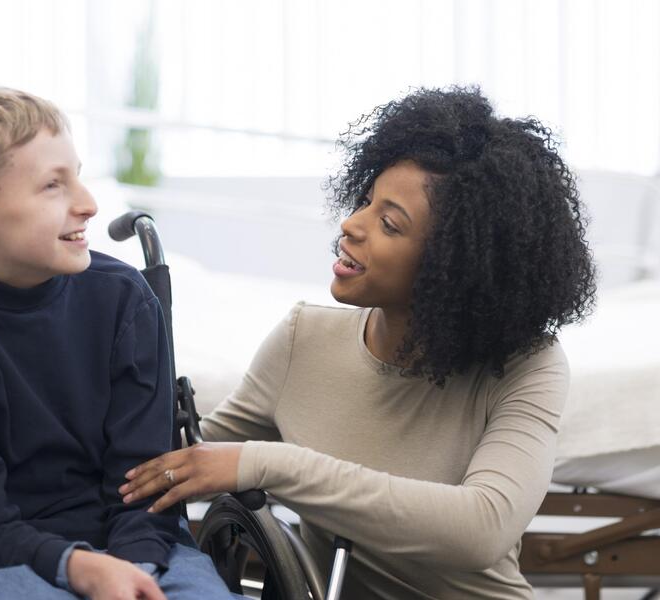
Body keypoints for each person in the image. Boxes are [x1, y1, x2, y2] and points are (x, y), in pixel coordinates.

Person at [119, 86, 597, 599]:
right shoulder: (302, 339)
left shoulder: (529, 366)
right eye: (366, 201)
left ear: (454, 266)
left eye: (389, 223)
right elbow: (192, 452)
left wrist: (267, 462)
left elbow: (481, 529)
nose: (351, 225)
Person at [0, 86, 240, 600]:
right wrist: (77, 570)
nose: (89, 204)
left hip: (137, 539)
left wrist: (128, 569)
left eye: (78, 175)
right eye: (54, 185)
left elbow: (142, 481)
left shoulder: (124, 299)